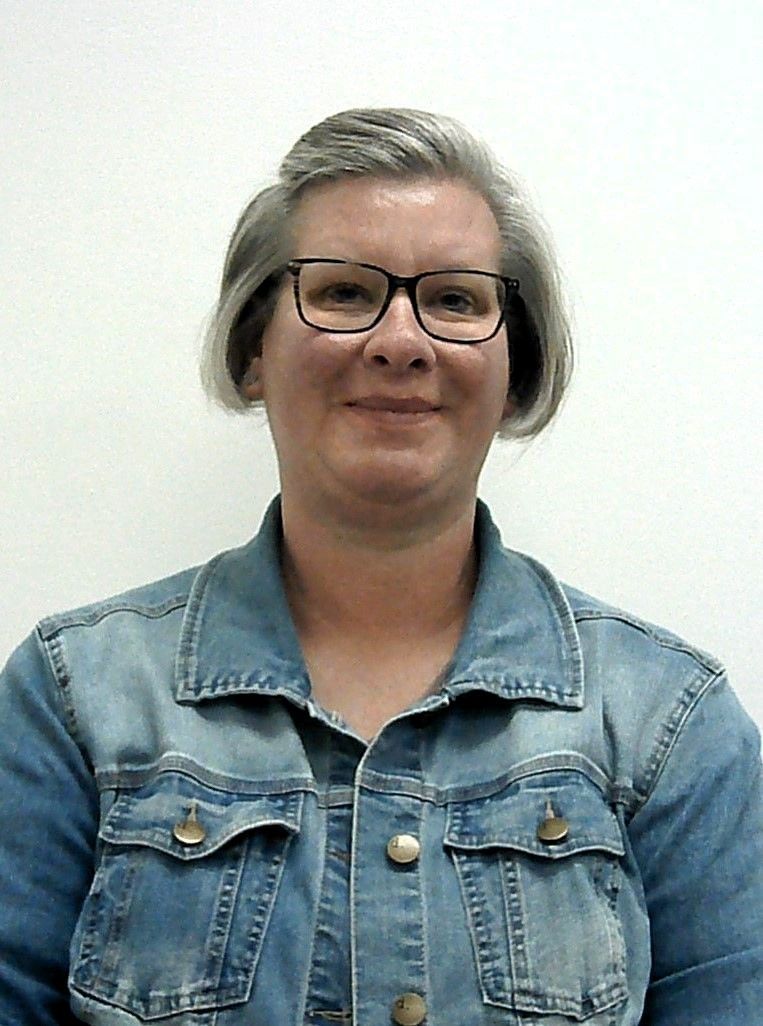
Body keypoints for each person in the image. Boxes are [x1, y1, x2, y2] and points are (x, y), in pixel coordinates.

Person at [0, 107, 760, 1026]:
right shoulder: (75, 698)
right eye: (347, 293)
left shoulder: (666, 725)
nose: (400, 341)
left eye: (454, 300)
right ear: (252, 351)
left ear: (514, 370)